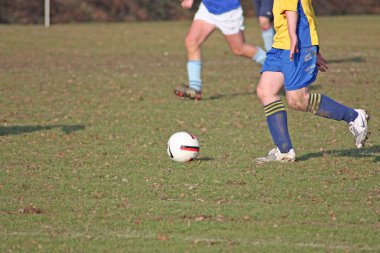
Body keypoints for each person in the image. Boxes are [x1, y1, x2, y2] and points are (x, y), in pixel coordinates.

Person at [255, 0, 369, 163]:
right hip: (280, 44)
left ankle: (354, 116)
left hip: (294, 44)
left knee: (298, 100)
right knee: (266, 91)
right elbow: (308, 12)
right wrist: (314, 46)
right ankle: (284, 151)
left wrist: (297, 37)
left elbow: (292, 8)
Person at [174, 0, 267, 100]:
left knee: (239, 49)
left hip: (227, 11)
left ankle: (276, 64)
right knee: (192, 41)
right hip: (208, 7)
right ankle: (195, 89)